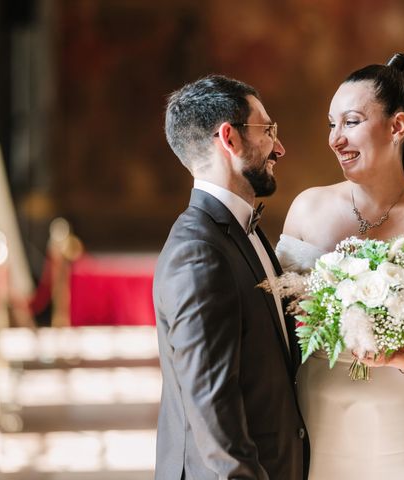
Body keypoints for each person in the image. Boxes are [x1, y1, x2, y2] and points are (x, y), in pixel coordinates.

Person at [277, 53, 404, 479]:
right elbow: (281, 326)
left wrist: (394, 352)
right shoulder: (307, 208)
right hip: (319, 419)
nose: (336, 138)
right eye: (331, 124)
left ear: (397, 126)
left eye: (351, 122)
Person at [154, 75, 308, 480]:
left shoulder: (246, 231)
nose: (279, 147)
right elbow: (213, 414)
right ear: (230, 138)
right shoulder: (197, 252)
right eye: (268, 130)